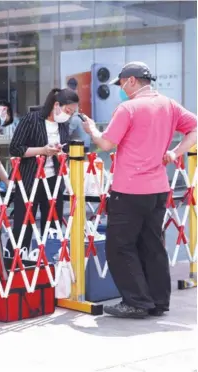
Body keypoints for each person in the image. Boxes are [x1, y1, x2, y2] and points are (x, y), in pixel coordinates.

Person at [82, 61, 197, 319]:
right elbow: (195, 128)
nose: (121, 88)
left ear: (131, 80)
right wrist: (175, 152)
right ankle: (158, 301)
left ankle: (135, 302)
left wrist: (91, 129)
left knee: (120, 247)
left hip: (129, 189)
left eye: (122, 83)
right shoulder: (169, 105)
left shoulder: (128, 108)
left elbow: (105, 143)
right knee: (152, 244)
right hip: (158, 188)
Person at [7, 88, 80, 255]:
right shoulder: (32, 120)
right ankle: (19, 262)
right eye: (68, 110)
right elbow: (16, 148)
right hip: (29, 178)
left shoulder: (63, 124)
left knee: (53, 224)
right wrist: (43, 150)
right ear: (56, 105)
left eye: (72, 112)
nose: (69, 115)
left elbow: (66, 145)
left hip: (53, 179)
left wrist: (62, 150)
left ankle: (51, 261)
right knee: (23, 225)